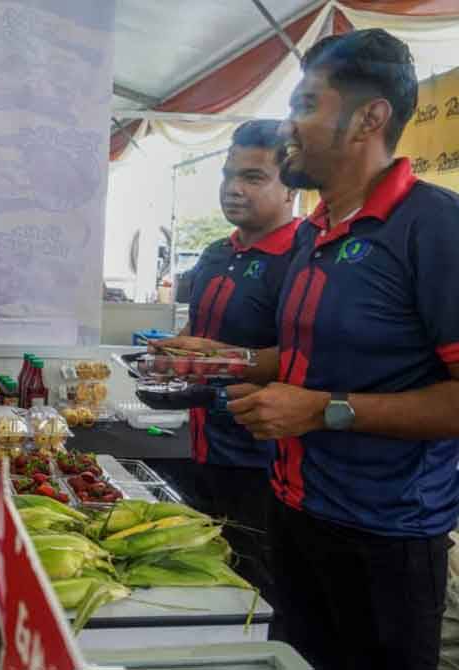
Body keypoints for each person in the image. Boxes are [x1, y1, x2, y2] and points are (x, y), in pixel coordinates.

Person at [176, 30, 459, 669]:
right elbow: (304, 361)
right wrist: (223, 359)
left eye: (306, 105)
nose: (288, 128)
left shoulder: (434, 227)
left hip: (387, 540)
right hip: (294, 511)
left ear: (369, 118)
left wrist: (322, 410)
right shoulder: (318, 233)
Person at [163, 120, 298, 606]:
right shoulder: (218, 252)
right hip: (201, 442)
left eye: (253, 177)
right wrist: (172, 351)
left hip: (266, 459)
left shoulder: (303, 256)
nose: (233, 189)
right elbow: (198, 335)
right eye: (227, 175)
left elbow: (316, 358)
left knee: (257, 587)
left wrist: (222, 359)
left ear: (291, 187)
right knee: (207, 575)